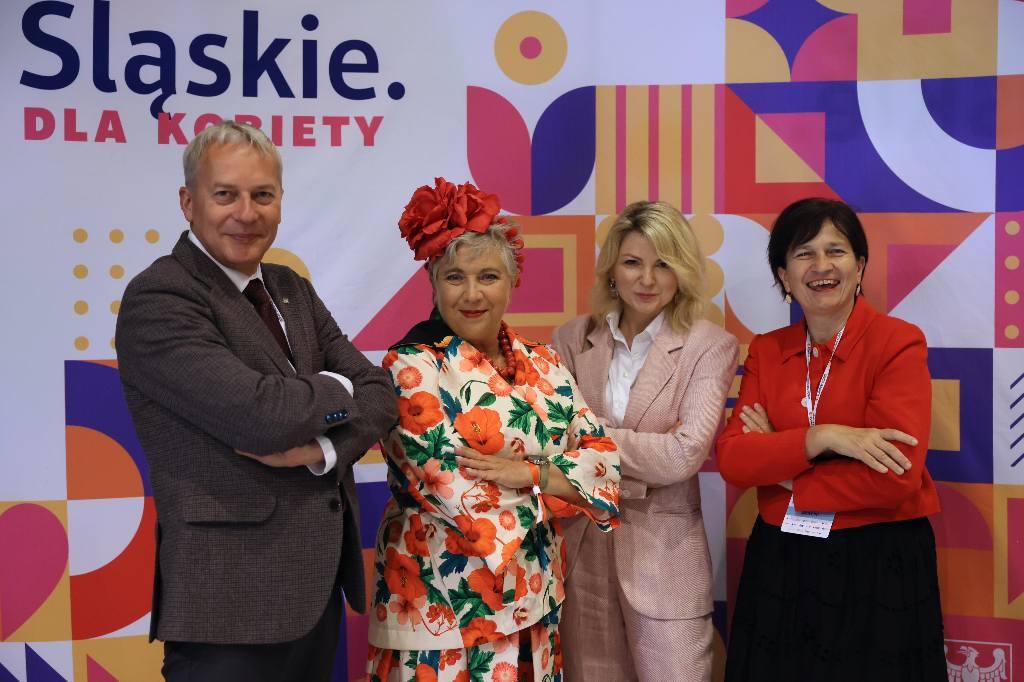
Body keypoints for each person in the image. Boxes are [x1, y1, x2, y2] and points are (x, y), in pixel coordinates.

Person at [115, 120, 397, 681]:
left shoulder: (290, 287)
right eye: (226, 194)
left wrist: (322, 449)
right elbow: (263, 417)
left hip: (315, 595)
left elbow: (382, 394)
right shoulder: (161, 296)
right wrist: (340, 387)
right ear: (188, 202)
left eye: (262, 195)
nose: (246, 213)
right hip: (228, 609)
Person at [366, 177, 621, 681]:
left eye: (488, 276)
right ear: (433, 283)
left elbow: (605, 457)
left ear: (511, 281)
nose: (472, 293)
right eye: (454, 277)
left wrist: (528, 473)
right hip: (439, 598)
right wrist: (560, 478)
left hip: (536, 592)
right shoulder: (410, 367)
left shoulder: (543, 360)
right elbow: (454, 486)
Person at [716, 198, 945, 681]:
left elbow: (896, 476)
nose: (821, 266)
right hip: (784, 559)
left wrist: (785, 476)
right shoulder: (767, 350)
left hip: (879, 561)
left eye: (836, 251)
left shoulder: (897, 342)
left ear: (859, 266)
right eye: (804, 253)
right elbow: (735, 459)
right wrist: (823, 438)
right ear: (784, 275)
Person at [551, 201, 738, 681]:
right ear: (612, 269)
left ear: (682, 271)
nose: (648, 279)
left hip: (665, 561)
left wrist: (591, 439)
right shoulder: (572, 338)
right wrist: (635, 466)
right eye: (633, 262)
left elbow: (682, 455)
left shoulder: (709, 345)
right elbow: (553, 441)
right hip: (582, 556)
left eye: (663, 264)